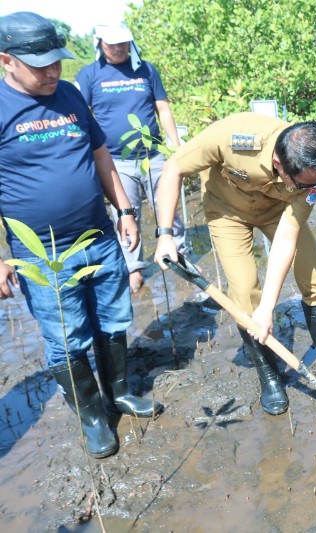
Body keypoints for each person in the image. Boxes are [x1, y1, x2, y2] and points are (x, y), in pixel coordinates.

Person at [0, 12, 163, 459]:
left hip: (99, 237)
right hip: (43, 253)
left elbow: (101, 157)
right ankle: (93, 417)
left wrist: (125, 210)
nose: (53, 71)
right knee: (67, 338)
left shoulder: (69, 93)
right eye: (40, 65)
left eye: (56, 61)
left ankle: (120, 393)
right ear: (5, 61)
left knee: (113, 321)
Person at [154, 114, 316, 416]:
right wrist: (165, 235)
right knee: (244, 293)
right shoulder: (231, 138)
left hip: (278, 213)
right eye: (305, 182)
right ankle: (270, 377)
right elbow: (174, 167)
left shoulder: (314, 173)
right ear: (278, 163)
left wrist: (269, 307)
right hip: (227, 212)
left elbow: (286, 238)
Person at [75, 21, 186, 294]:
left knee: (167, 207)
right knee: (126, 215)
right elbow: (82, 116)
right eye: (112, 43)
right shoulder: (90, 74)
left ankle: (179, 257)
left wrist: (176, 146)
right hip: (115, 160)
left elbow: (163, 108)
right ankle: (134, 268)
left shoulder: (145, 69)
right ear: (99, 43)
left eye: (123, 42)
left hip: (154, 154)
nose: (118, 48)